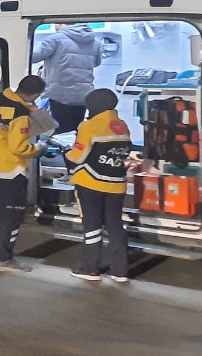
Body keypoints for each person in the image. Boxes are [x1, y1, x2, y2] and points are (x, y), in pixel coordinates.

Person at [0, 74, 47, 273]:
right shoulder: (19, 115)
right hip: (11, 172)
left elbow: (6, 124)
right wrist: (38, 149)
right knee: (12, 217)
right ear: (35, 94)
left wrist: (29, 107)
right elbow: (19, 148)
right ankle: (3, 259)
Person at [66, 88, 132, 282]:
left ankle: (90, 268)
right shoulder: (122, 125)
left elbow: (78, 156)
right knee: (115, 226)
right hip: (116, 184)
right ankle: (120, 271)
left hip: (91, 183)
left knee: (92, 225)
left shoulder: (89, 126)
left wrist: (66, 153)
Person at [30, 24, 101, 134]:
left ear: (60, 22)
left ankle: (65, 150)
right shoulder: (94, 41)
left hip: (60, 94)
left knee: (62, 131)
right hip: (83, 94)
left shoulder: (55, 39)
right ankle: (76, 150)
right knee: (76, 130)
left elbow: (33, 57)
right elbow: (97, 62)